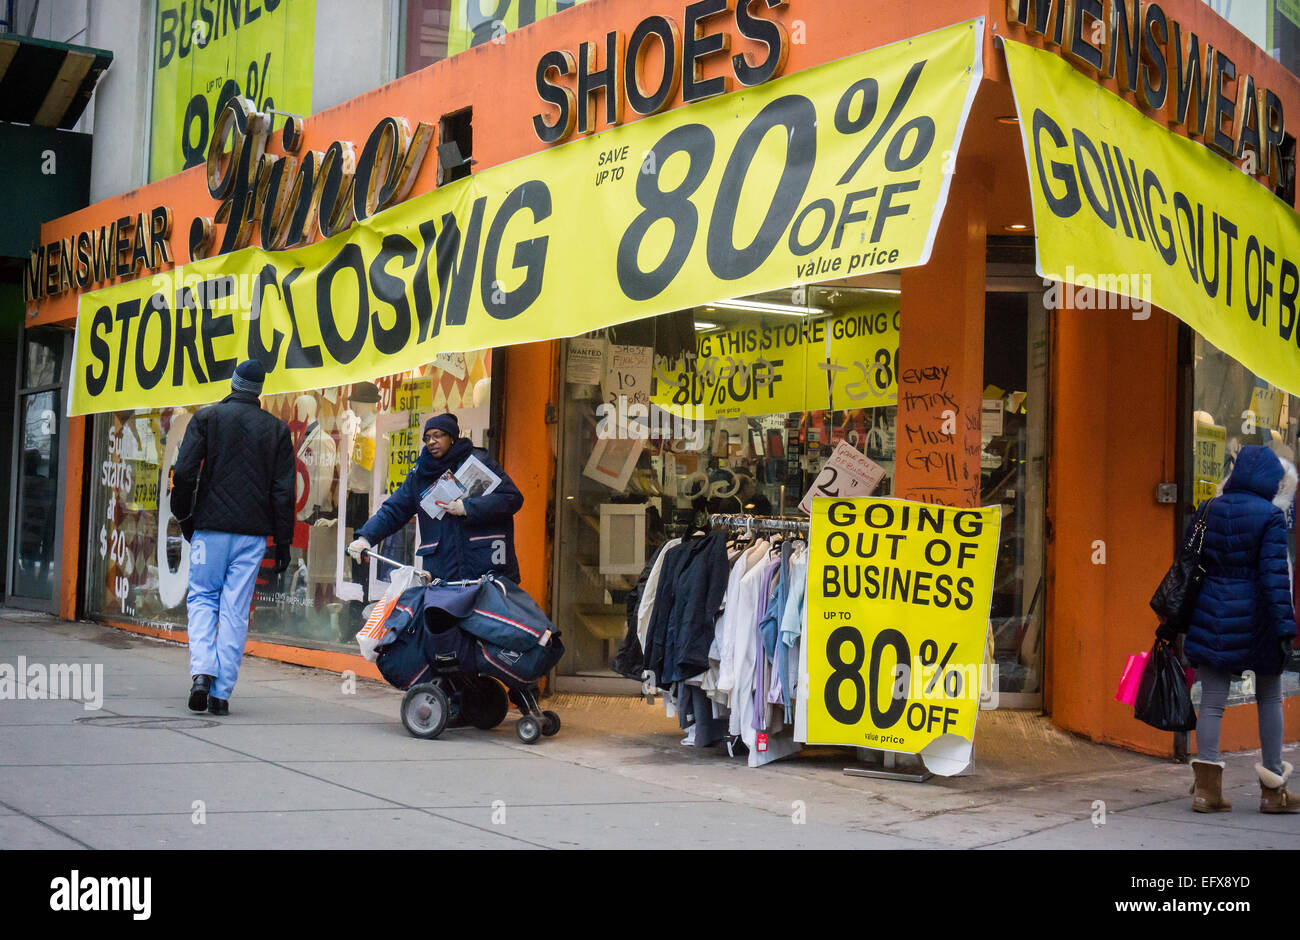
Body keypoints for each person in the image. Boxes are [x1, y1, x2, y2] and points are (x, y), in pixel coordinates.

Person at [170, 360, 295, 715]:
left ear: (234, 383)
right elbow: (283, 492)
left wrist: (184, 515)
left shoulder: (207, 419)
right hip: (252, 536)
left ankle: (202, 674)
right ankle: (221, 694)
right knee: (236, 611)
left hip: (209, 530)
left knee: (202, 599)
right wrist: (283, 541)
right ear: (259, 390)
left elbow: (184, 472)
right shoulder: (276, 430)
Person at [1177, 445, 1297, 814]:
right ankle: (1273, 791)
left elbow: (1187, 558)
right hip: (1258, 618)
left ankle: (1206, 793)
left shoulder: (1209, 509)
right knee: (1268, 697)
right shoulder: (1270, 517)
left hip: (1212, 613)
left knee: (1212, 702)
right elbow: (1275, 579)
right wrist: (1285, 629)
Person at [347, 413, 523, 583]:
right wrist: (365, 538)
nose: (431, 441)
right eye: (427, 437)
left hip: (484, 568)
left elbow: (512, 498)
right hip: (443, 573)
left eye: (438, 435)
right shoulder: (420, 474)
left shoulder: (478, 461)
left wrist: (467, 507)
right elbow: (394, 510)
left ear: (452, 437)